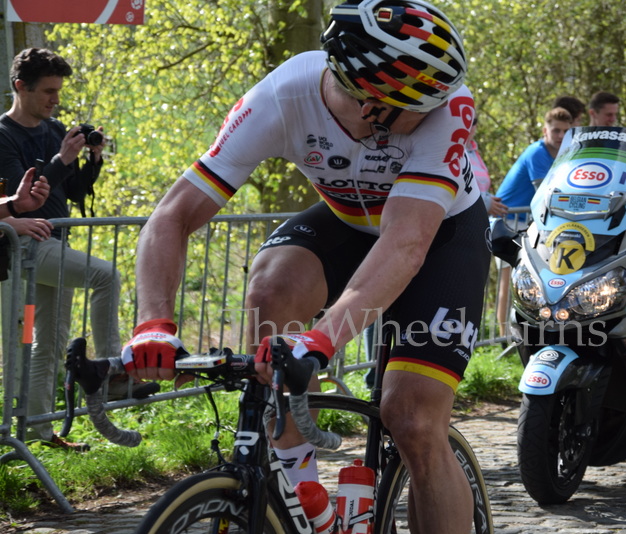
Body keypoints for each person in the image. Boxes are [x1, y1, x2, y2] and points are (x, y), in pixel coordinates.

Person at [120, 1, 488, 532]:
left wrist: (320, 341)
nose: (439, 107)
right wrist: (153, 323)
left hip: (441, 238)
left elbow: (407, 245)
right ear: (370, 102)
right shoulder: (283, 95)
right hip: (345, 218)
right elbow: (172, 215)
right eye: (421, 103)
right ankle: (302, 495)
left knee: (412, 421)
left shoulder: (449, 107)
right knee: (271, 286)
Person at [0, 48, 159, 451]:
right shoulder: (3, 136)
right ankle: (113, 370)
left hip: (54, 248)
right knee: (104, 275)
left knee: (49, 343)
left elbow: (73, 191)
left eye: (58, 91)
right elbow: (26, 196)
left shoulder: (53, 130)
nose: (55, 100)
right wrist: (60, 158)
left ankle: (40, 434)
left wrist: (93, 159)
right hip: (25, 248)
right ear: (20, 87)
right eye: (48, 92)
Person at [494, 107, 572, 339]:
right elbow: (545, 193)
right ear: (544, 130)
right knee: (508, 284)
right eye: (555, 130)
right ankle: (502, 338)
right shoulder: (537, 152)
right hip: (507, 223)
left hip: (527, 224)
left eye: (565, 132)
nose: (560, 136)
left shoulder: (563, 153)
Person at [467, 114, 508, 218]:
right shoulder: (450, 150)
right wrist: (485, 203)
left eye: (473, 121)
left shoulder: (473, 151)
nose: (469, 126)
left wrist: (489, 200)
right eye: (465, 120)